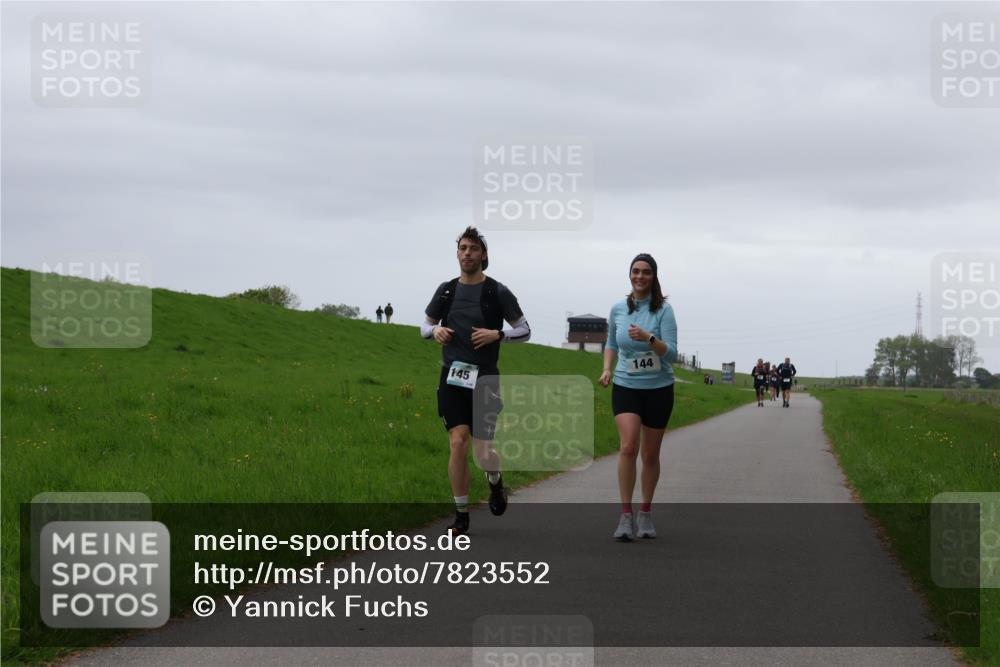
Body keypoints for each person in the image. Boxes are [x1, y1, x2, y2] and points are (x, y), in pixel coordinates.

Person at [421, 226, 531, 535]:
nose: (467, 253)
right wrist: (435, 331)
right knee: (458, 442)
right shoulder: (446, 290)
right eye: (463, 248)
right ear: (457, 253)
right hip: (452, 376)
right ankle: (461, 515)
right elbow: (424, 327)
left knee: (483, 454)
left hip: (485, 379)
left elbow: (525, 330)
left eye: (473, 249)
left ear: (483, 255)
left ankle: (495, 482)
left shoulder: (497, 292)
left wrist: (498, 334)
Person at [598, 253, 678, 542]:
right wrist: (607, 368)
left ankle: (645, 512)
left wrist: (648, 338)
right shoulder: (618, 308)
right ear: (629, 275)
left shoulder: (664, 311)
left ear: (653, 277)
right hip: (626, 384)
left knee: (650, 454)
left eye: (645, 272)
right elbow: (611, 342)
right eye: (635, 271)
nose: (640, 276)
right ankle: (625, 515)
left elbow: (672, 354)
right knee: (629, 446)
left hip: (658, 388)